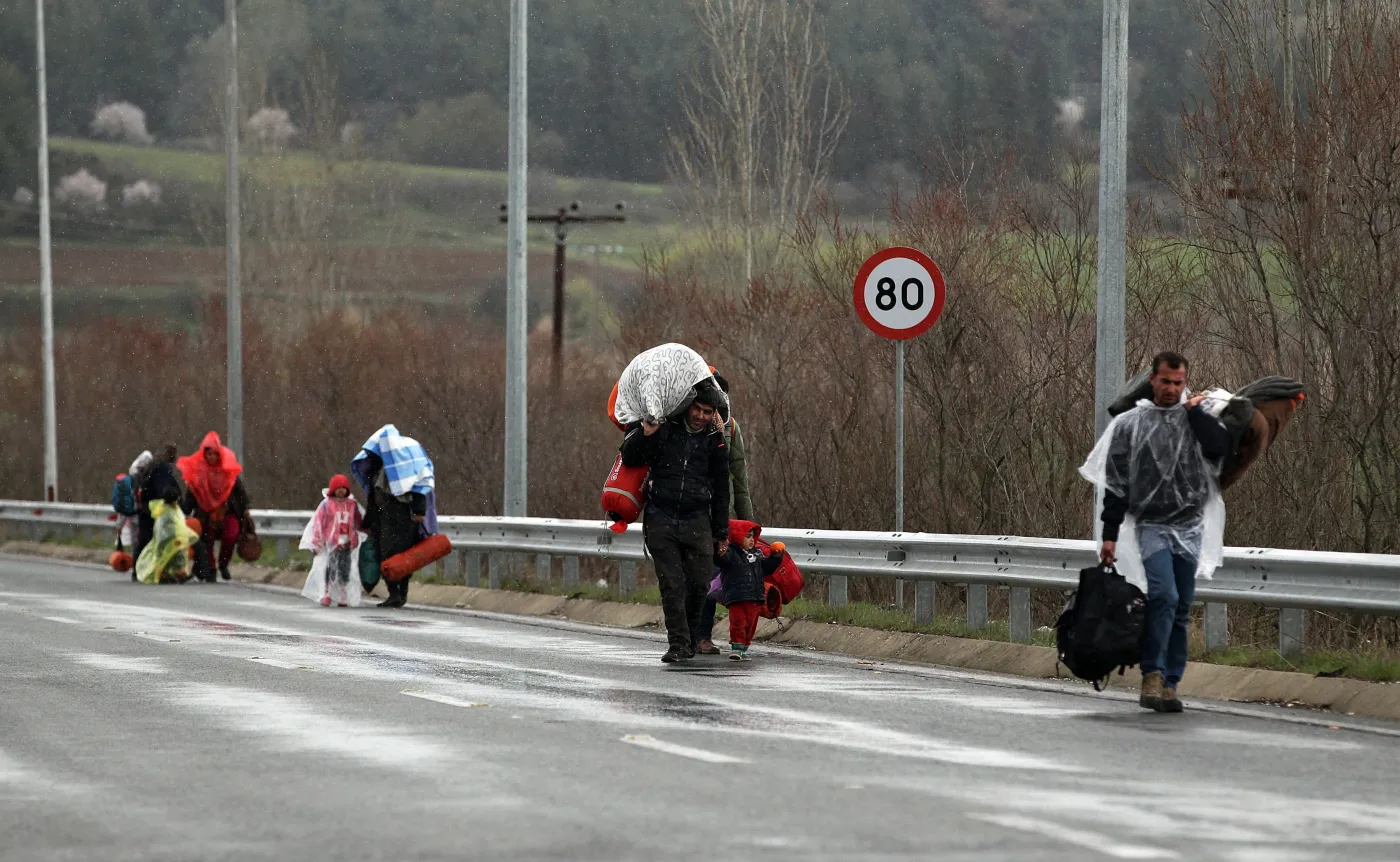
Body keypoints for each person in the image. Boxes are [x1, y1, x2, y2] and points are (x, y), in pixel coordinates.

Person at [1085, 351, 1230, 714]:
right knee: (1163, 595)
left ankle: (1170, 682)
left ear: (1186, 382)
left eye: (1178, 383)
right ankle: (1152, 673)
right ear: (1152, 379)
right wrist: (1109, 534)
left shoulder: (1197, 418)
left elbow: (1219, 447)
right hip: (1152, 525)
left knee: (1181, 604)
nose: (1171, 389)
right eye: (1165, 381)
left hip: (1190, 525)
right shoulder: (1131, 424)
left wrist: (1194, 412)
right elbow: (1116, 483)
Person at [620, 384, 731, 663]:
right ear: (688, 404)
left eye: (708, 412)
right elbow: (629, 455)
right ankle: (678, 644)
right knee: (672, 584)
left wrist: (721, 532)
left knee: (698, 584)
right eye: (698, 409)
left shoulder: (715, 441)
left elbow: (721, 490)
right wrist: (646, 434)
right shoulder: (664, 426)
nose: (701, 416)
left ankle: (691, 638)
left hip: (697, 518)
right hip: (661, 516)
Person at [696, 371, 754, 655]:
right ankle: (688, 633)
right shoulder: (689, 423)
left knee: (713, 575)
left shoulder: (731, 427)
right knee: (694, 575)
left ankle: (703, 635)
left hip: (721, 515)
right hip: (692, 510)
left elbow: (739, 476)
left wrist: (748, 525)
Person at [352, 424, 437, 609]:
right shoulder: (379, 467)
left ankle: (400, 593)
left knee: (402, 557)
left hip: (403, 519)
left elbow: (419, 488)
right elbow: (374, 495)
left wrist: (419, 512)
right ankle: (394, 593)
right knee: (385, 556)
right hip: (383, 519)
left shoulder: (405, 464)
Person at [177, 432, 251, 582]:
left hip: (227, 512)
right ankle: (210, 569)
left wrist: (245, 509)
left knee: (231, 535)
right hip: (205, 514)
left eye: (214, 454)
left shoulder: (227, 471)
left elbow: (240, 493)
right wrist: (182, 510)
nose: (211, 457)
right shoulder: (198, 472)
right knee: (207, 540)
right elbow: (192, 493)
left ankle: (223, 563)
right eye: (208, 453)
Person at [713, 519, 786, 660]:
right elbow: (720, 559)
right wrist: (719, 548)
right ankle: (736, 648)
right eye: (747, 536)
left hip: (755, 597)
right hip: (737, 597)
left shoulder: (757, 553)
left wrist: (776, 558)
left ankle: (744, 647)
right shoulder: (731, 554)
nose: (752, 540)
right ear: (738, 536)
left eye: (753, 536)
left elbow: (765, 568)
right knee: (738, 623)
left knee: (750, 625)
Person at [299, 474, 365, 608]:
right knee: (329, 569)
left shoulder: (352, 505)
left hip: (346, 543)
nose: (341, 491)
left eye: (344, 488)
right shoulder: (326, 505)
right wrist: (317, 542)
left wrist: (363, 531)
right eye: (338, 488)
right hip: (330, 543)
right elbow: (318, 523)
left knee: (344, 569)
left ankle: (342, 594)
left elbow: (358, 521)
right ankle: (326, 593)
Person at [135, 444, 182, 582]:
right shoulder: (163, 468)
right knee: (163, 541)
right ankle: (161, 572)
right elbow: (164, 488)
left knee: (145, 540)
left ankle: (139, 570)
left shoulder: (150, 465)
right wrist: (174, 497)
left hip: (144, 508)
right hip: (158, 509)